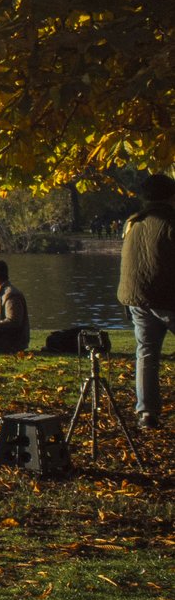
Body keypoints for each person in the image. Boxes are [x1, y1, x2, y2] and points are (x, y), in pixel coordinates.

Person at [121, 173, 175, 429]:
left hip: (137, 296)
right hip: (165, 297)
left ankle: (146, 412)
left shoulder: (133, 222)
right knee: (147, 352)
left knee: (146, 353)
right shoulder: (170, 221)